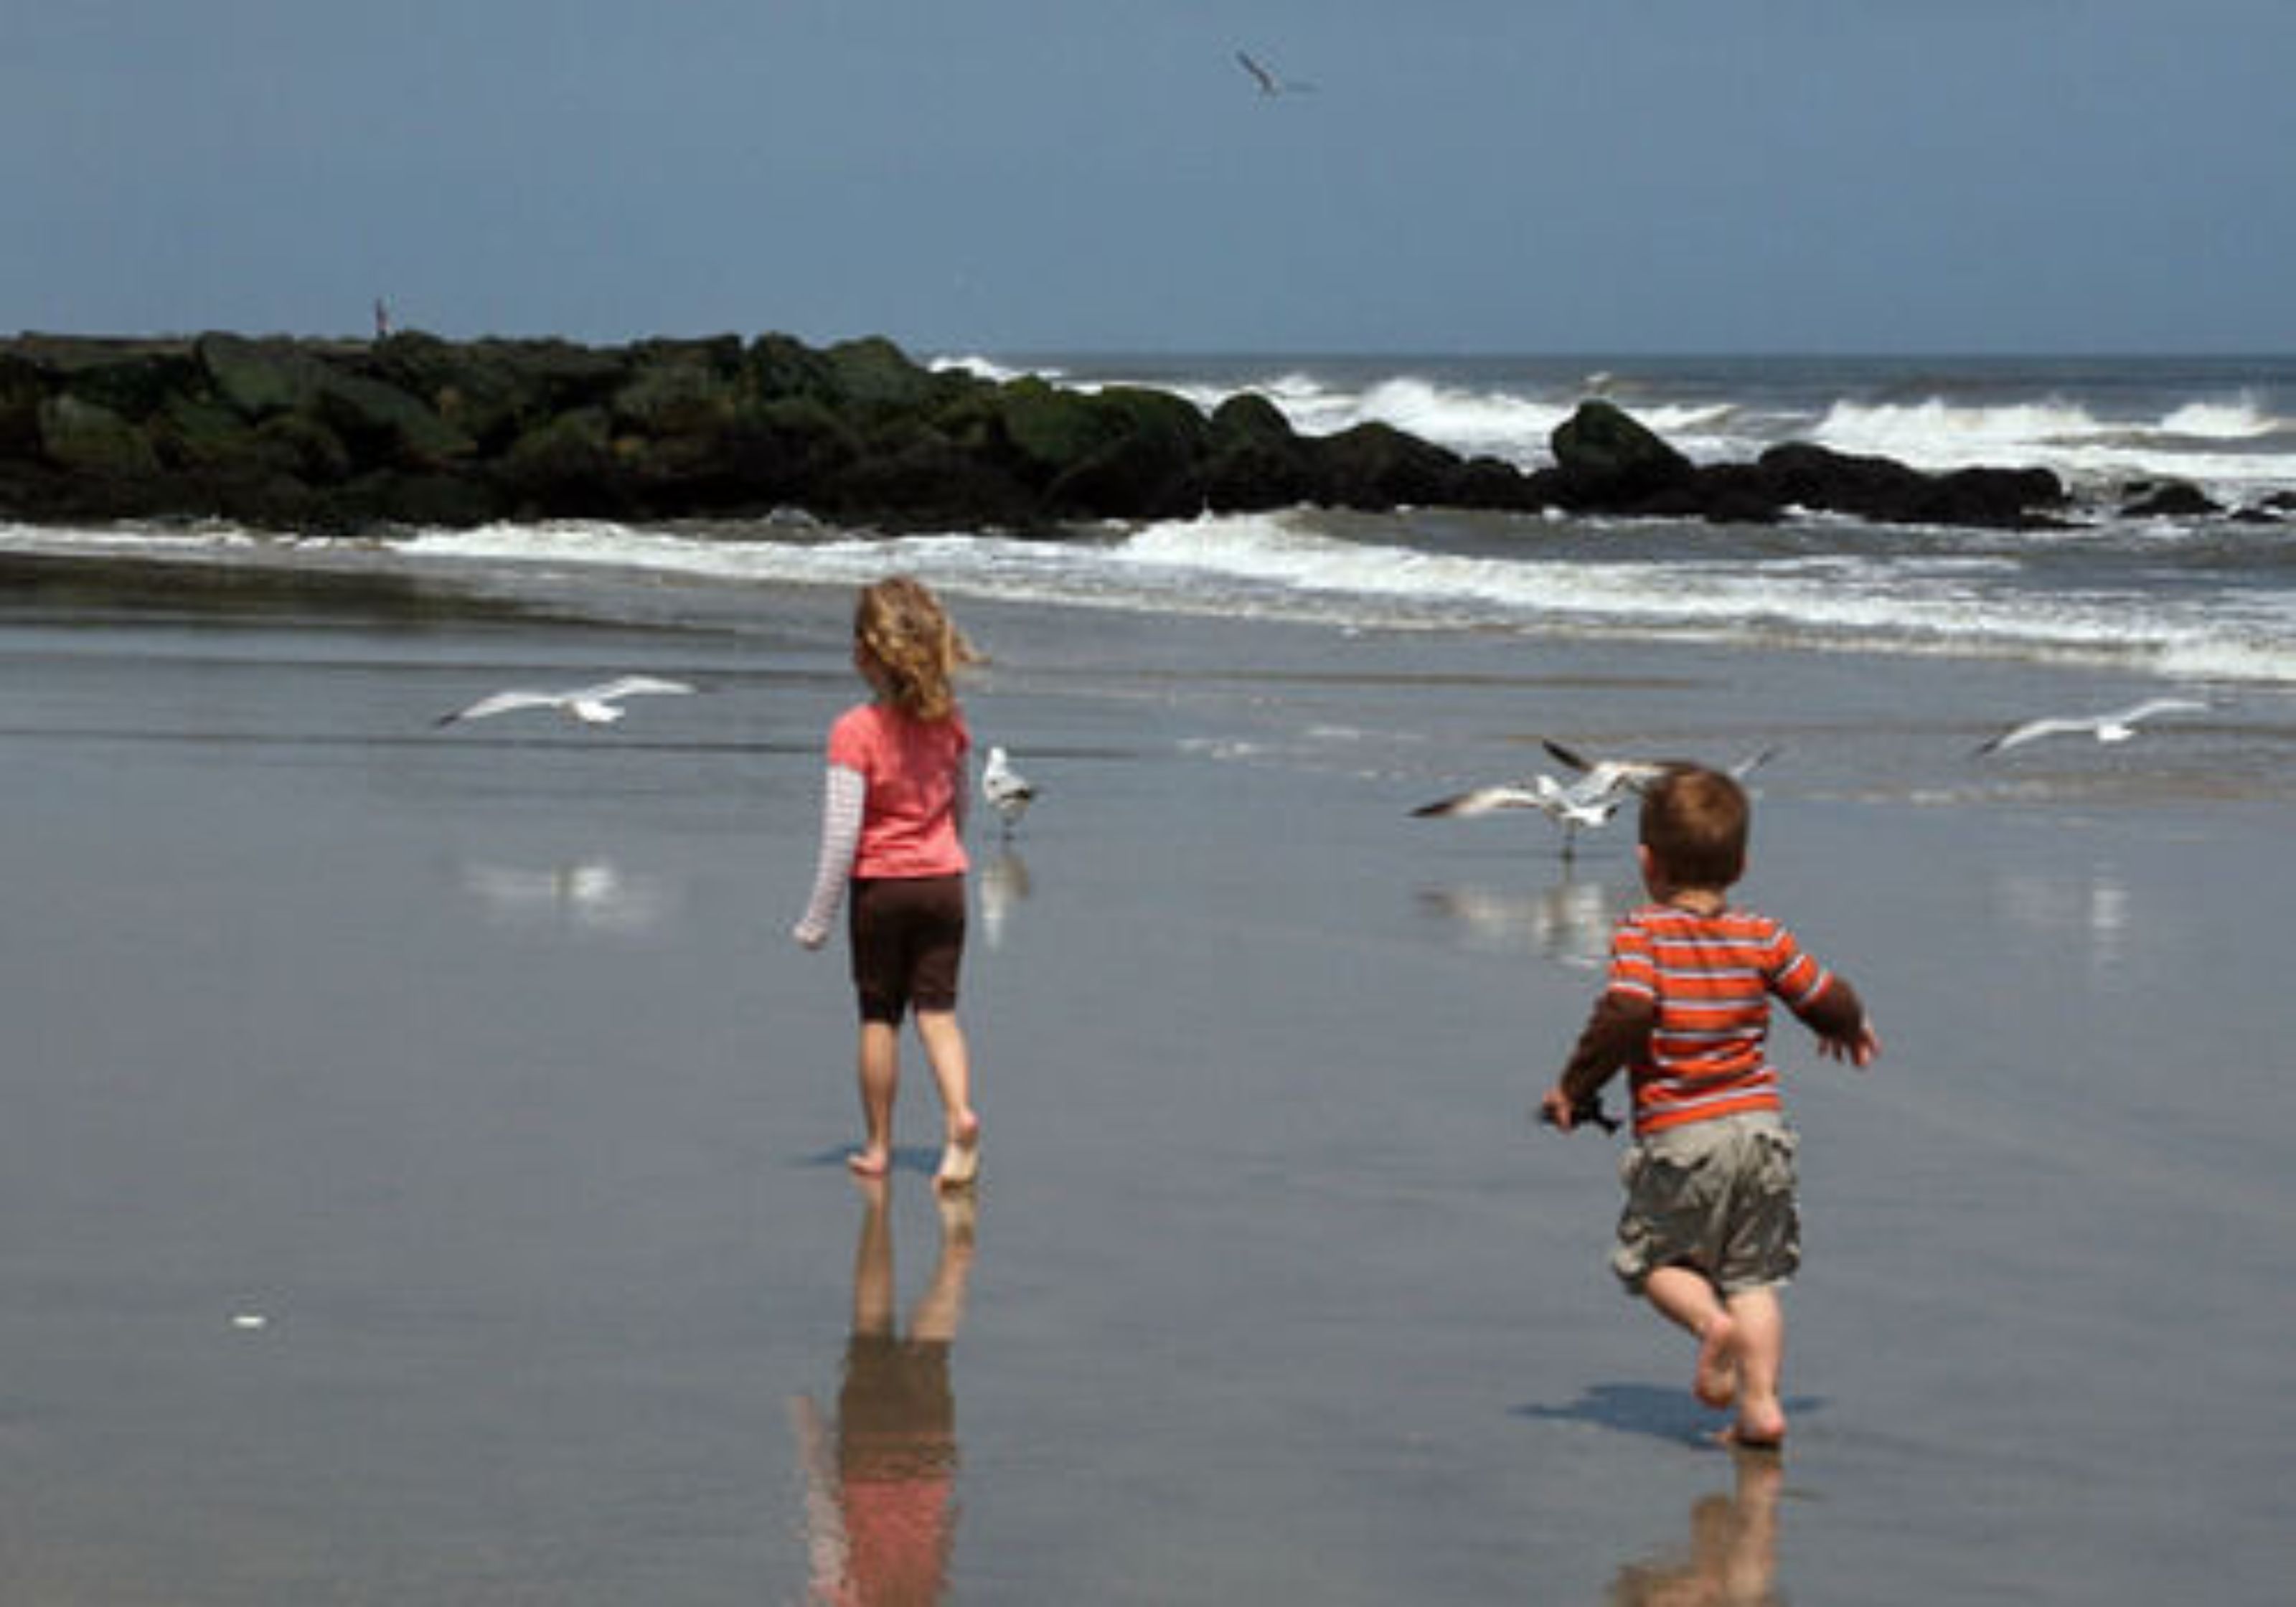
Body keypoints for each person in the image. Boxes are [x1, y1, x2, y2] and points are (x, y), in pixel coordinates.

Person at [1539, 765, 1879, 1449]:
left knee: (1653, 1261)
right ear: (1743, 865)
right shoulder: (1762, 935)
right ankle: (1759, 1408)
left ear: (1646, 863)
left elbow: (1627, 1014)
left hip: (1683, 1135)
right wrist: (1842, 1025)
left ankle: (1709, 1328)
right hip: (1762, 1135)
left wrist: (1574, 1089)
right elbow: (1824, 993)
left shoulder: (1644, 933)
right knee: (1755, 1279)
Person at [794, 575, 984, 1189]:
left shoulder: (854, 730)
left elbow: (842, 833)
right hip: (945, 882)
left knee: (879, 1016)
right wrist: (947, 850)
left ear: (867, 653)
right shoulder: (948, 722)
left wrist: (818, 915)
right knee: (940, 1011)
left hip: (883, 888)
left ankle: (879, 1145)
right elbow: (960, 805)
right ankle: (960, 1115)